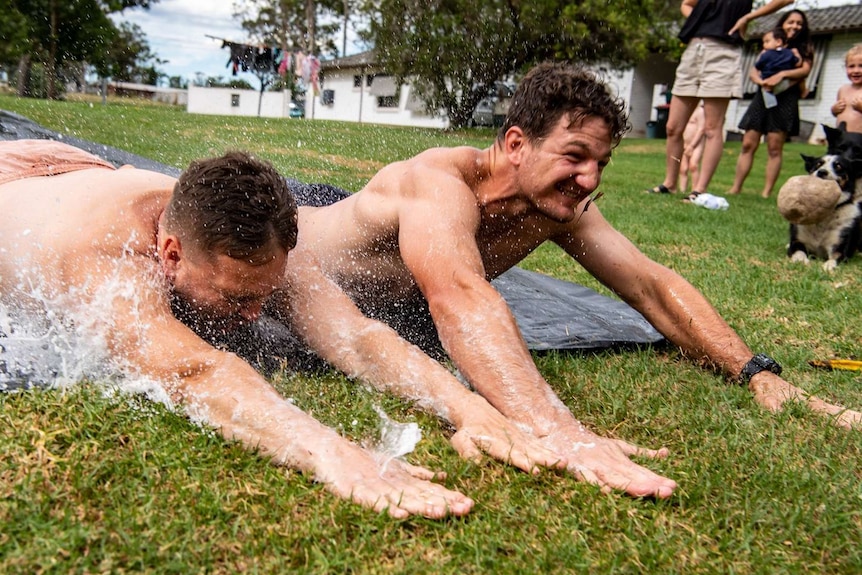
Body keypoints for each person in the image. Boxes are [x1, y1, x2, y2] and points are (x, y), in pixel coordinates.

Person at [275, 63, 861, 501]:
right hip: (309, 243)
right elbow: (458, 293)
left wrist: (754, 372)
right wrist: (563, 431)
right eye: (575, 155)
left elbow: (650, 285)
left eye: (601, 163)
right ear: (515, 143)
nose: (588, 178)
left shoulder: (555, 204)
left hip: (397, 299)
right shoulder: (436, 182)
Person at [0, 140, 474, 519]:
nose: (256, 313)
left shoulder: (248, 241)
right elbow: (192, 372)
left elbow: (354, 336)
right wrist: (331, 452)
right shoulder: (103, 258)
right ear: (171, 255)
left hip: (76, 167)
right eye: (237, 298)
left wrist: (466, 406)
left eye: (266, 294)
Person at [645, 0, 794, 201]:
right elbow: (686, 4)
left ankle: (699, 190)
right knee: (673, 127)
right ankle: (670, 183)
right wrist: (700, 19)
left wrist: (748, 17)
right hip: (693, 50)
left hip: (723, 52)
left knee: (712, 127)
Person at [728, 9, 814, 199]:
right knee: (748, 143)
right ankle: (736, 187)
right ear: (782, 24)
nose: (795, 26)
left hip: (785, 99)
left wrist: (781, 75)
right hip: (764, 96)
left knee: (775, 147)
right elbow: (754, 70)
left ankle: (766, 192)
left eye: (799, 23)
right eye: (791, 22)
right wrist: (762, 82)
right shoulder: (769, 45)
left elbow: (805, 71)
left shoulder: (802, 49)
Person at [831, 44, 862, 134]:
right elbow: (838, 114)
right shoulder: (843, 90)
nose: (856, 71)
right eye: (851, 66)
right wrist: (834, 110)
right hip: (842, 137)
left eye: (861, 66)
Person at [678, 101, 706, 195]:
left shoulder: (700, 111)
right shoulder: (685, 111)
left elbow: (701, 129)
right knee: (683, 168)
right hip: (685, 143)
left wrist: (692, 145)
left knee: (693, 165)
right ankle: (682, 190)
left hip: (696, 144)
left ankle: (695, 189)